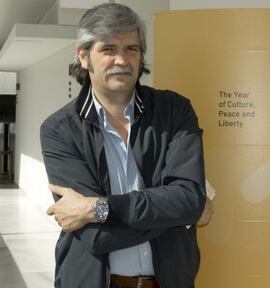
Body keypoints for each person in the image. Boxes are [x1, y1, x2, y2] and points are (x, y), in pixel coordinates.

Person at [40, 3, 213, 288]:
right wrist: (178, 218)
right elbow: (95, 237)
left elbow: (187, 198)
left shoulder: (174, 111)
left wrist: (97, 209)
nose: (122, 59)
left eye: (131, 49)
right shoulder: (60, 130)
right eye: (108, 49)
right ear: (84, 57)